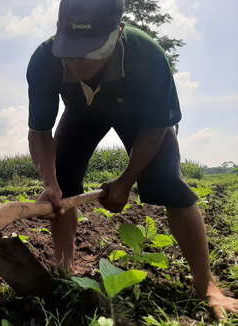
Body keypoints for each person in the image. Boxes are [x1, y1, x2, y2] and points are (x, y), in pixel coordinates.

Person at [26, 0, 238, 320]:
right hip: (82, 113)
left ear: (118, 32)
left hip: (141, 118)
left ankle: (206, 283)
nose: (80, 61)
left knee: (165, 181)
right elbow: (39, 131)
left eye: (93, 50)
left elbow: (157, 126)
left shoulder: (147, 58)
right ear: (58, 32)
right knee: (64, 178)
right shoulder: (44, 60)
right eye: (71, 49)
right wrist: (50, 184)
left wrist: (126, 182)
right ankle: (65, 266)